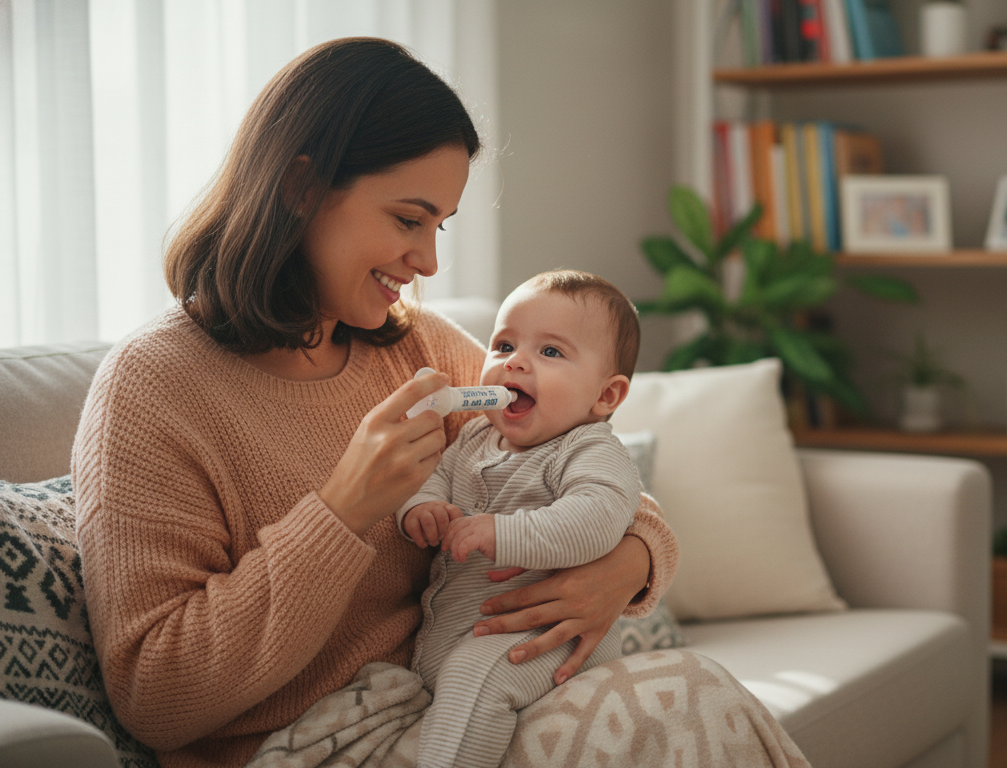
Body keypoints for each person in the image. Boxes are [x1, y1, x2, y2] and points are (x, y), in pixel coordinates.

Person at [72, 38, 676, 768]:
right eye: (408, 220)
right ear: (302, 187)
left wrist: (633, 564)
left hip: (445, 711)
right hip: (306, 748)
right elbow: (156, 696)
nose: (429, 262)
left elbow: (582, 455)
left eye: (440, 226)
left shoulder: (414, 348)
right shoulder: (152, 390)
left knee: (685, 698)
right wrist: (342, 511)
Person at [392, 270, 645, 766]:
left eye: (550, 352)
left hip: (548, 634)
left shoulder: (589, 449)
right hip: (462, 634)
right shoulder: (471, 438)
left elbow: (595, 519)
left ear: (606, 396)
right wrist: (420, 508)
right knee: (453, 679)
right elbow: (433, 478)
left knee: (474, 679)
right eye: (503, 345)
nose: (516, 363)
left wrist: (500, 532)